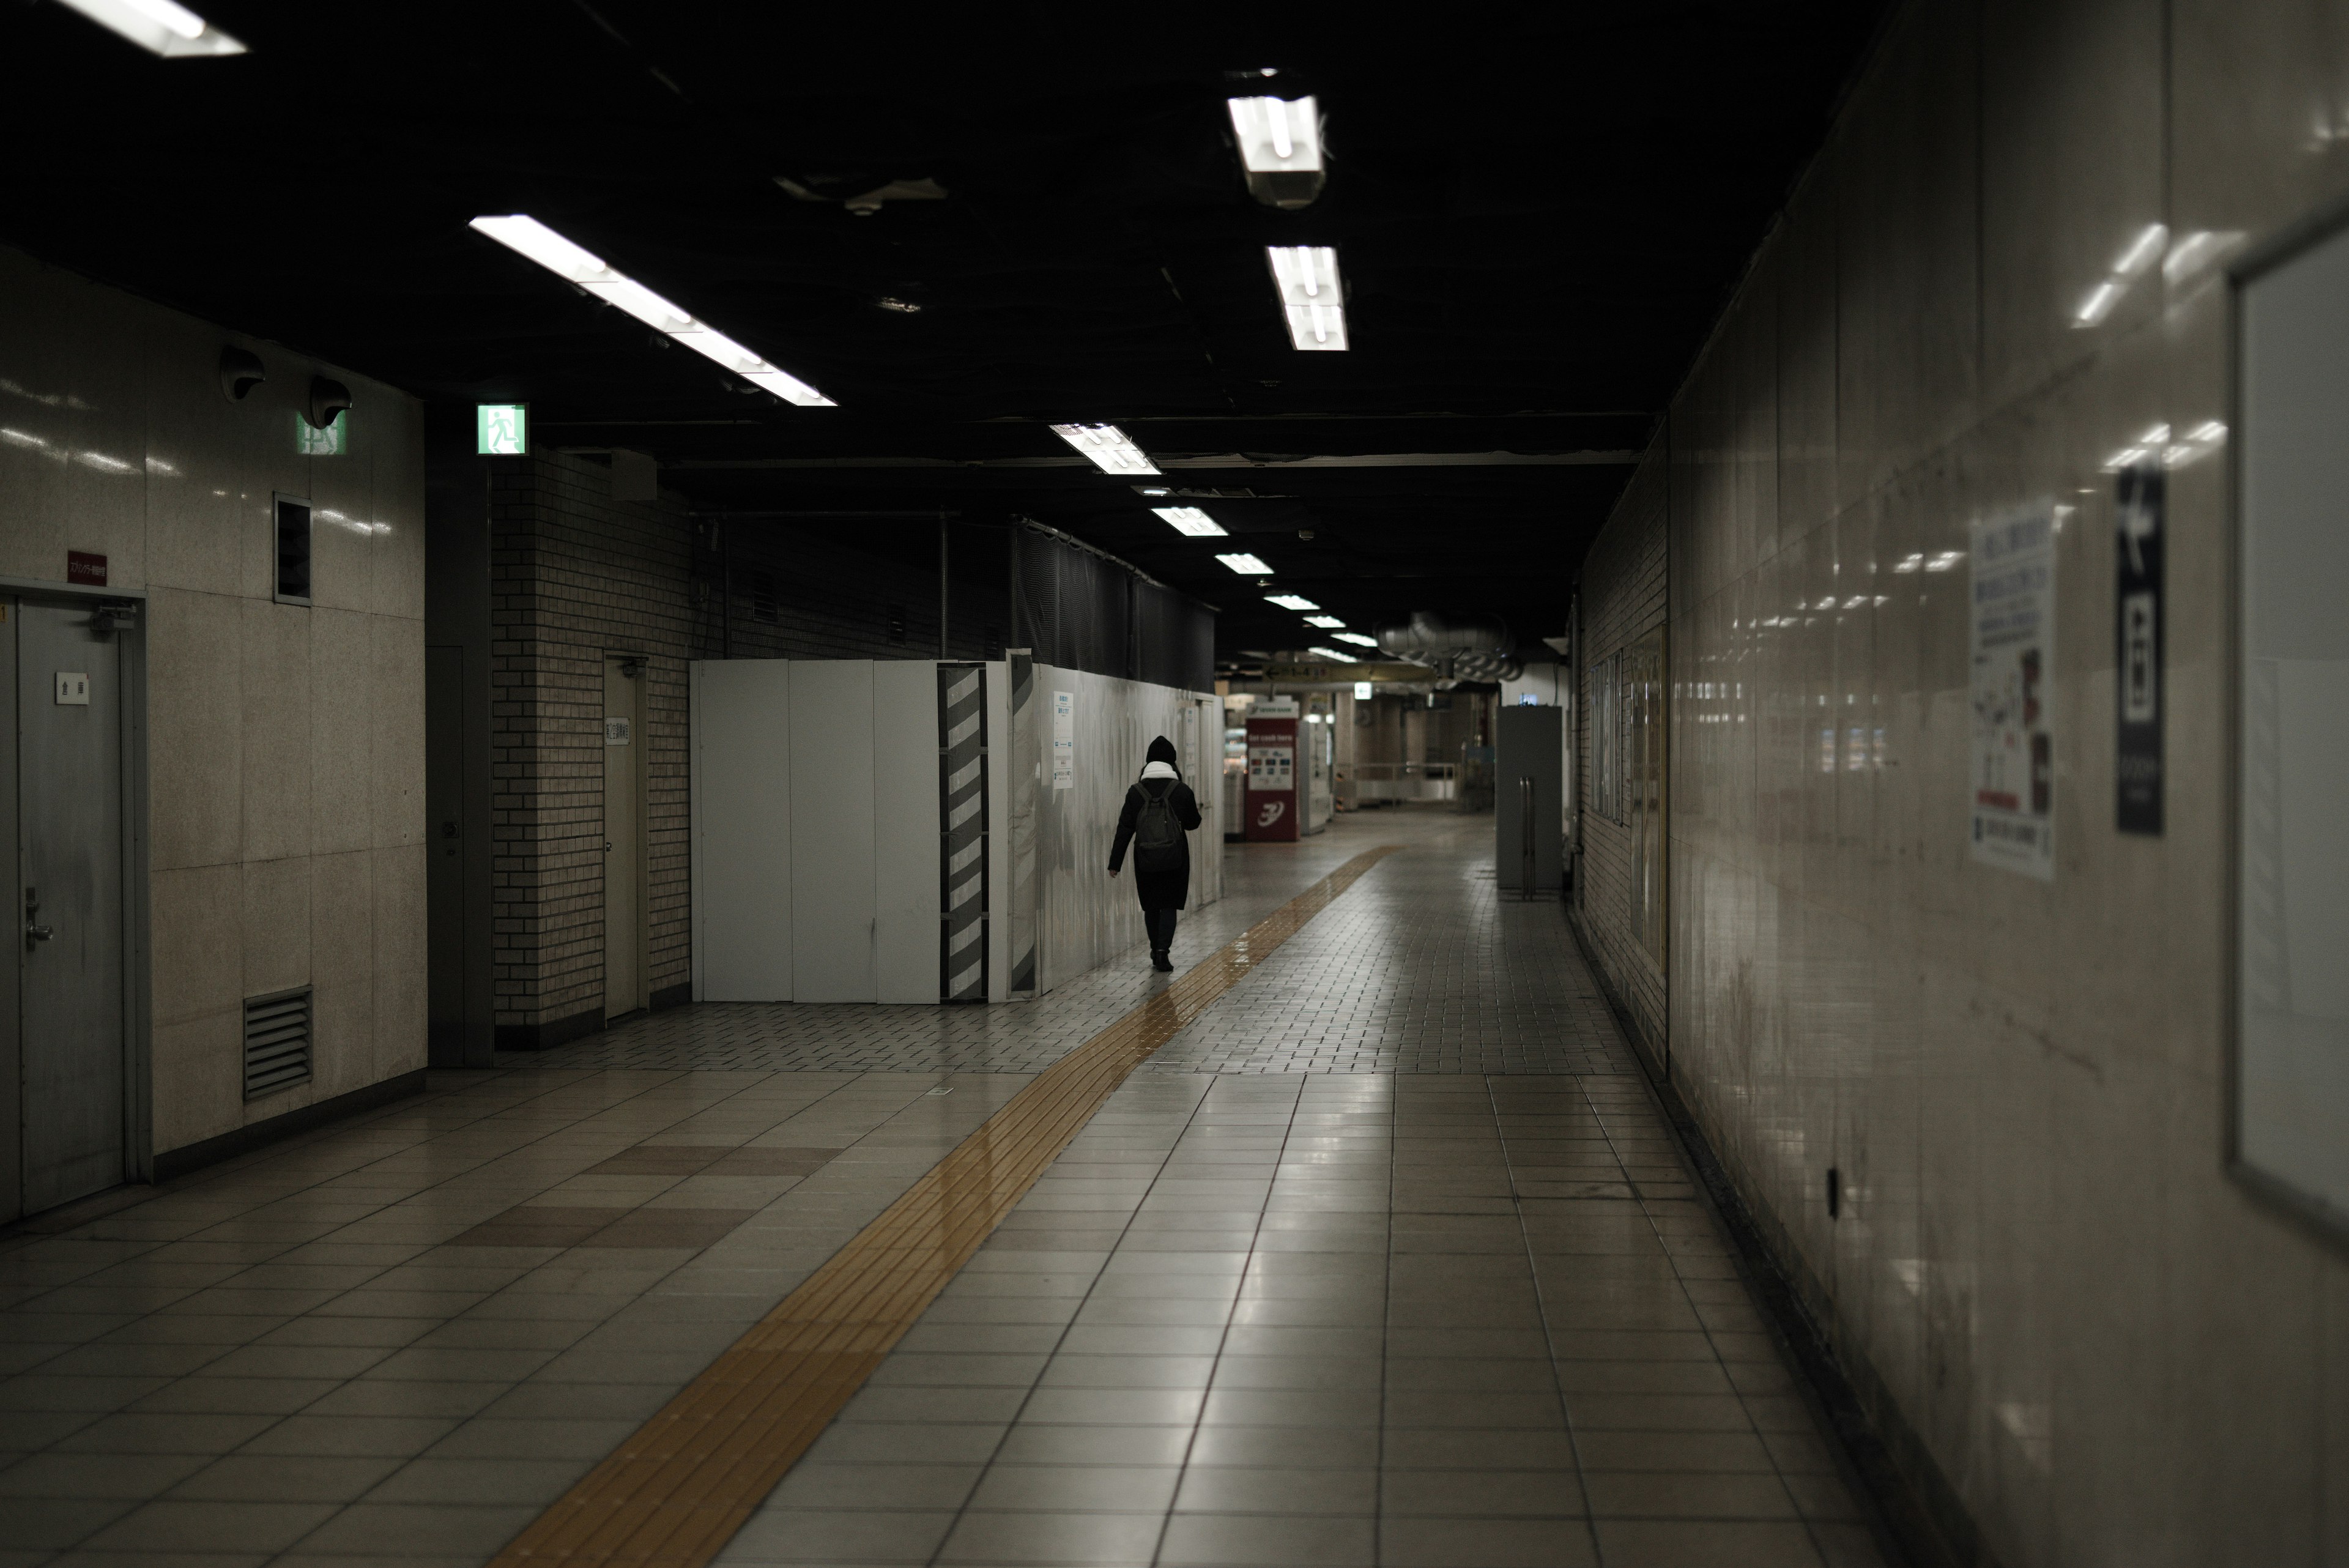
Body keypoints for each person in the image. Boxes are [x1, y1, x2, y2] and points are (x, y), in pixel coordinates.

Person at [1108, 735, 1203, 972]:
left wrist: (1115, 863)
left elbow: (1125, 829)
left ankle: (1154, 949)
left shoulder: (1136, 792)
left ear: (1148, 762)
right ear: (1172, 762)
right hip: (1175, 858)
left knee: (1151, 905)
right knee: (1169, 904)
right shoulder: (1181, 790)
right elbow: (1193, 824)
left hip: (1145, 858)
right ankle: (1163, 951)